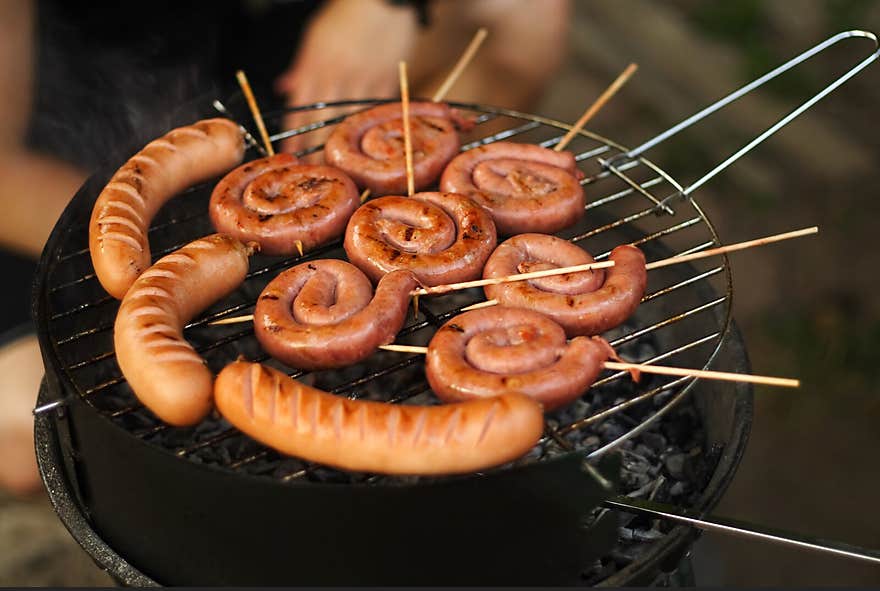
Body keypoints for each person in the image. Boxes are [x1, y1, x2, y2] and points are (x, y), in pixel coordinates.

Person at [0, 0, 571, 494]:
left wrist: (386, 5)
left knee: (522, 9)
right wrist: (179, 241)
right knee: (29, 435)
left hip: (227, 100)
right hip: (46, 211)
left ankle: (437, 178)